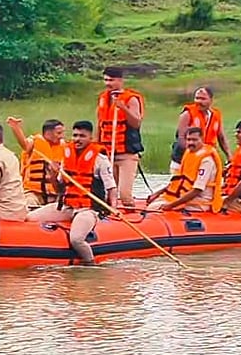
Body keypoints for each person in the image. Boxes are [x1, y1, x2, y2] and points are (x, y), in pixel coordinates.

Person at [27, 120, 119, 265]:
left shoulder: (100, 160)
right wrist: (52, 175)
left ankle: (91, 265)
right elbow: (59, 189)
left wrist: (114, 207)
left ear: (91, 138)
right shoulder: (67, 156)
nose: (77, 139)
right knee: (30, 218)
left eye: (82, 136)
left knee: (76, 240)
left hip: (88, 210)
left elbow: (111, 188)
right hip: (67, 206)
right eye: (75, 135)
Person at [96, 66, 144, 208]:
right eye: (105, 80)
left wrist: (123, 107)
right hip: (107, 152)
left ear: (120, 80)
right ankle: (110, 219)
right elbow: (100, 124)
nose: (108, 83)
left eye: (111, 80)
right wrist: (97, 147)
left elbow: (136, 123)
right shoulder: (103, 98)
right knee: (108, 192)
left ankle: (131, 217)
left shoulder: (131, 99)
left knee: (124, 194)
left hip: (126, 154)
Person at [145, 127, 223, 212]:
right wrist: (158, 193)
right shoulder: (189, 154)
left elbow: (197, 190)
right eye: (188, 140)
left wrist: (171, 205)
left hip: (201, 201)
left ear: (202, 139)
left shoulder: (206, 161)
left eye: (194, 140)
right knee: (155, 203)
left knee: (154, 208)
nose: (191, 143)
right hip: (185, 195)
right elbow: (178, 181)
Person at [6, 116, 64, 207]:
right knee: (29, 204)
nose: (62, 136)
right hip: (33, 192)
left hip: (54, 194)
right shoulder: (34, 141)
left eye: (62, 133)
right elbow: (24, 145)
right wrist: (15, 127)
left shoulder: (64, 147)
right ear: (48, 133)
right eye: (59, 133)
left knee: (60, 206)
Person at [170, 86, 230, 174]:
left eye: (203, 99)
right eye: (197, 98)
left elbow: (221, 138)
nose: (199, 101)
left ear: (211, 100)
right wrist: (195, 156)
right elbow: (181, 139)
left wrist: (229, 156)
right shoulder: (187, 114)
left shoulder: (216, 115)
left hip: (206, 159)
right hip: (183, 160)